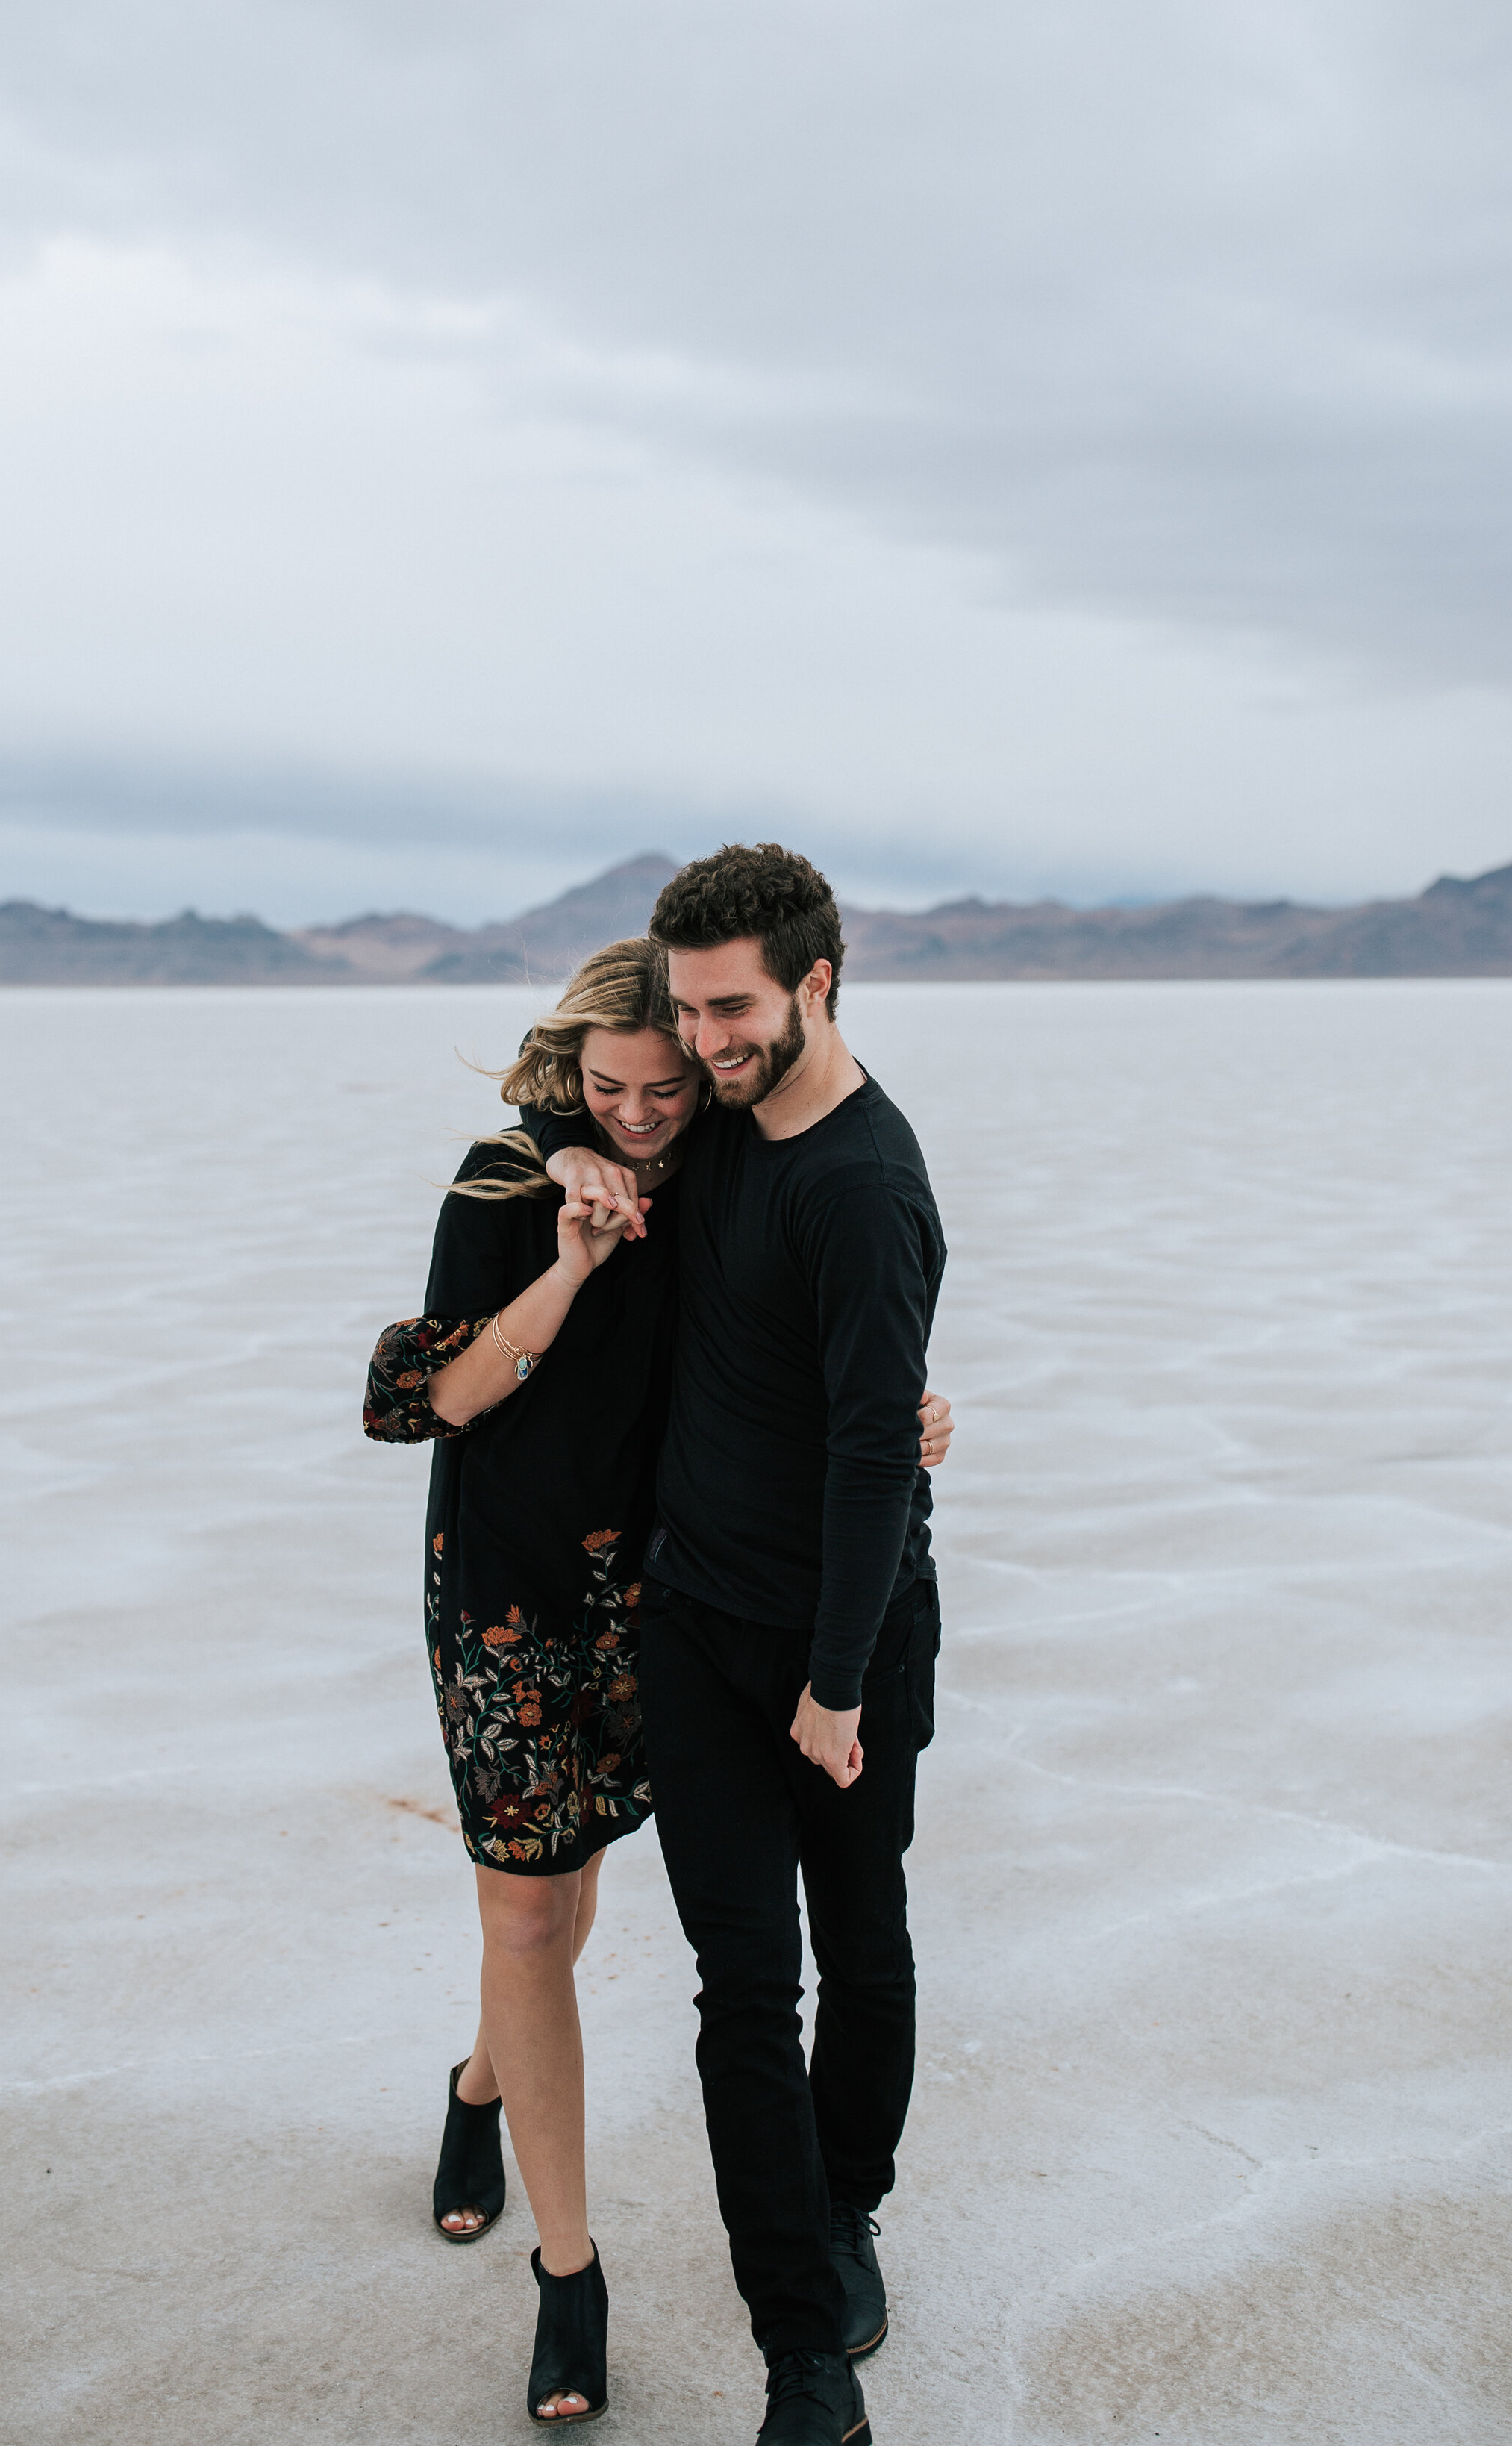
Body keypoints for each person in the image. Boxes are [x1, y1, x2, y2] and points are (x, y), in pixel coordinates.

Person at [365, 933, 958, 2429]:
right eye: (611, 1085)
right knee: (525, 1903)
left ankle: (481, 2085)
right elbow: (435, 1398)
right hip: (504, 1595)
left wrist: (897, 1411)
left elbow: (780, 1345)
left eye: (663, 1084)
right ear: (572, 1067)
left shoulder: (713, 1174)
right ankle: (569, 2276)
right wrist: (568, 1260)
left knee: (558, 1909)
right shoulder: (505, 1183)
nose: (638, 1111)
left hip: (653, 1591)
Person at [536, 846, 947, 2446]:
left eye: (731, 1008)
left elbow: (866, 1450)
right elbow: (601, 1114)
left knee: (861, 1942)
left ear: (815, 983)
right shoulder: (711, 1135)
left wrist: (835, 1684)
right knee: (739, 1992)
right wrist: (578, 1146)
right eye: (688, 1009)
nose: (703, 1043)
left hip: (846, 1642)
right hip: (694, 1629)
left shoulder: (861, 1181)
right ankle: (804, 2361)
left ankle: (847, 2205)